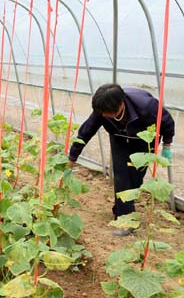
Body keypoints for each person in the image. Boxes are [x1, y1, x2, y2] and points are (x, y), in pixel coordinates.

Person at [68, 84, 174, 229]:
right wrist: (73, 156)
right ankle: (126, 221)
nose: (104, 115)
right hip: (119, 139)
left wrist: (167, 145)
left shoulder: (147, 107)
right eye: (102, 112)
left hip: (144, 140)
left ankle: (121, 209)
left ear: (121, 104)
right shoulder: (102, 110)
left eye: (107, 113)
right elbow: (86, 131)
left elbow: (167, 122)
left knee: (135, 179)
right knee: (121, 176)